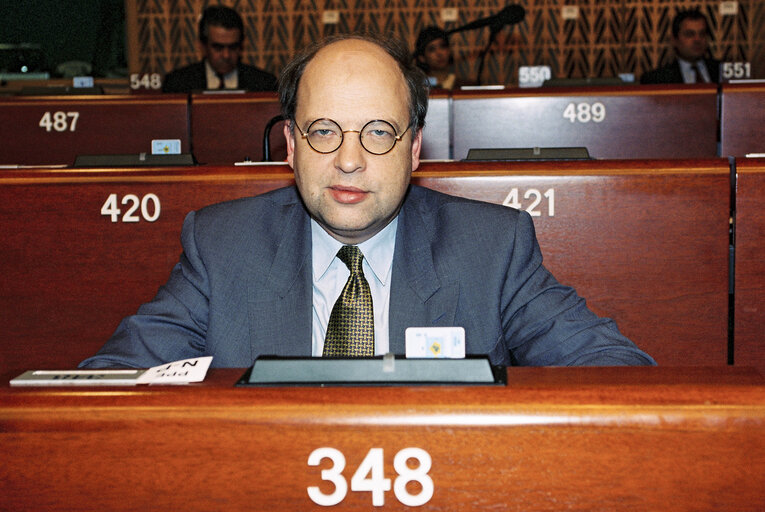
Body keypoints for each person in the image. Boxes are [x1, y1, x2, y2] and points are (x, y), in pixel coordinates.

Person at [80, 33, 655, 369]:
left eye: (378, 132)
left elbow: (616, 375)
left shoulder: (492, 249)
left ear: (414, 149)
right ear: (289, 146)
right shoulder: (220, 246)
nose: (349, 160)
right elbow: (112, 385)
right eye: (324, 130)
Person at [161, 5, 277, 93]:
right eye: (218, 47)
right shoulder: (178, 84)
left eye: (233, 47)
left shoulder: (264, 85)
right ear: (203, 46)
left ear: (241, 46)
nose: (226, 55)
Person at [640, 9, 720, 84]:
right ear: (675, 40)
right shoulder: (656, 79)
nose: (697, 40)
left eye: (702, 34)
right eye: (690, 34)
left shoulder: (722, 71)